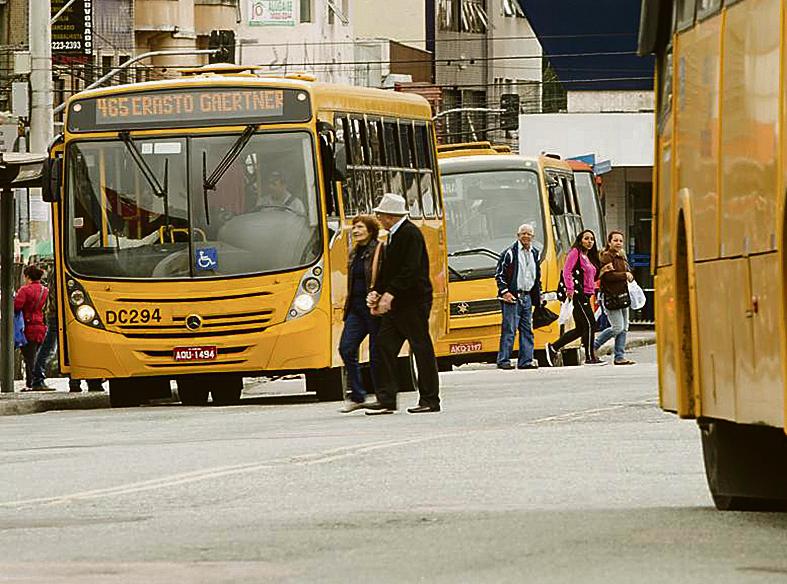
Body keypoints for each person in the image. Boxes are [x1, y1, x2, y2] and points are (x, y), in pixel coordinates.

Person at [365, 193, 440, 415]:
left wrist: (389, 294)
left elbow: (410, 270)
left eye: (380, 214)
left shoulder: (409, 234)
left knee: (421, 348)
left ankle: (430, 399)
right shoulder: (394, 235)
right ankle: (386, 399)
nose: (378, 217)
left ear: (389, 216)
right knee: (383, 347)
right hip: (399, 303)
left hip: (413, 302)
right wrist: (377, 291)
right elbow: (389, 269)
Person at [339, 215, 384, 413]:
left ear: (370, 229)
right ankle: (357, 394)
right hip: (355, 309)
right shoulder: (353, 253)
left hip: (373, 308)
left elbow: (383, 275)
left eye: (359, 227)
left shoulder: (379, 250)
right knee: (346, 348)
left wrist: (379, 297)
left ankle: (383, 397)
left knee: (376, 354)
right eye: (353, 227)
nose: (355, 231)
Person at [545, 230, 609, 366]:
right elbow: (567, 271)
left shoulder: (589, 257)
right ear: (580, 240)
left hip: (587, 293)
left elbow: (592, 277)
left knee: (581, 328)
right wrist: (570, 289)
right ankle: (590, 357)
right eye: (586, 238)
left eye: (592, 239)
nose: (590, 241)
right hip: (577, 293)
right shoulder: (575, 252)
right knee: (591, 324)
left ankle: (553, 347)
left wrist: (602, 271)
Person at [494, 223, 542, 370]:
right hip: (512, 297)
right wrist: (505, 292)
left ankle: (526, 360)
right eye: (523, 233)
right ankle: (504, 360)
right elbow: (499, 274)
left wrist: (538, 295)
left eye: (529, 234)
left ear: (533, 237)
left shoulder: (535, 253)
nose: (526, 236)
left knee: (527, 330)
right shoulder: (509, 253)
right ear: (518, 236)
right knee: (509, 329)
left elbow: (536, 276)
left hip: (527, 297)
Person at [594, 231, 636, 365]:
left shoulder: (622, 257)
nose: (618, 243)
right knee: (617, 327)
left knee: (624, 328)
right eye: (615, 240)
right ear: (609, 242)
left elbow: (627, 273)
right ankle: (594, 345)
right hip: (611, 296)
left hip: (623, 295)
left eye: (620, 241)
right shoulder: (606, 257)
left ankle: (619, 356)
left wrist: (628, 276)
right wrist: (625, 275)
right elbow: (608, 276)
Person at [14, 265, 50, 390]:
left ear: (27, 276)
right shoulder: (44, 290)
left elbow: (17, 306)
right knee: (37, 356)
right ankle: (34, 381)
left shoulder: (25, 290)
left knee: (29, 357)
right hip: (40, 326)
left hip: (27, 328)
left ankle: (33, 383)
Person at [30, 267, 58, 391]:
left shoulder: (55, 272)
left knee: (48, 347)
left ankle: (37, 378)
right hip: (57, 314)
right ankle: (37, 378)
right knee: (48, 348)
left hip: (52, 314)